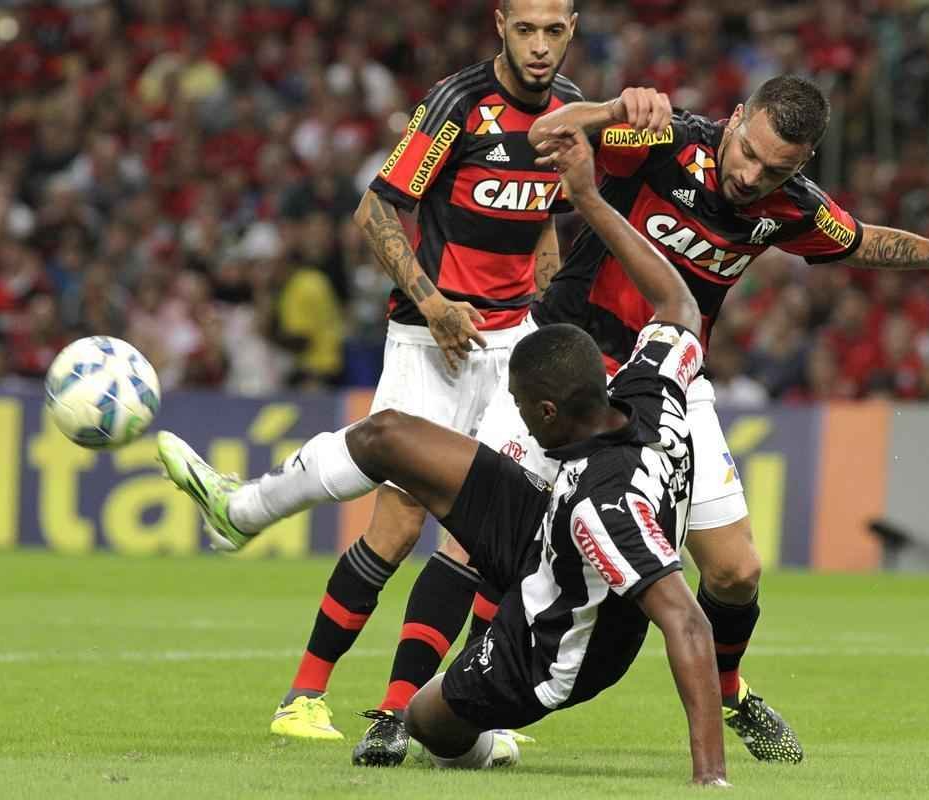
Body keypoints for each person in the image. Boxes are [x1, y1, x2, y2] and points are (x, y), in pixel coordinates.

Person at [444, 75, 929, 763]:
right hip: (577, 366)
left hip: (670, 375)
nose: (752, 175)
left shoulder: (790, 204)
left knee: (738, 571)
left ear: (800, 165)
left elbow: (860, 240)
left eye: (777, 168)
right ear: (737, 117)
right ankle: (435, 704)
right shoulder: (663, 140)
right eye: (749, 151)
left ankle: (727, 690)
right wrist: (612, 110)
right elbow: (546, 133)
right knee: (504, 544)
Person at [159, 125, 730, 786]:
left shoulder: (608, 508)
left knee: (434, 728)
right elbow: (681, 302)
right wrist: (590, 201)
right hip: (548, 530)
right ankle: (243, 508)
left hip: (554, 643)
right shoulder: (652, 381)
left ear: (547, 412)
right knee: (390, 435)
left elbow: (686, 623)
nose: (508, 408)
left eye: (515, 401)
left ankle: (460, 729)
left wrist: (709, 779)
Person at [252, 0, 585, 740]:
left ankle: (419, 709)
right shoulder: (457, 105)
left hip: (508, 352)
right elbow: (377, 208)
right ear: (500, 23)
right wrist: (432, 301)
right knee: (398, 525)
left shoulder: (567, 114)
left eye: (553, 31)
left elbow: (544, 235)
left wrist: (551, 322)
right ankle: (302, 696)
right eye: (525, 29)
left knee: (491, 535)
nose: (538, 47)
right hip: (430, 343)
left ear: (573, 30)